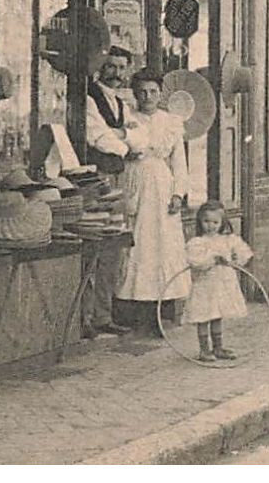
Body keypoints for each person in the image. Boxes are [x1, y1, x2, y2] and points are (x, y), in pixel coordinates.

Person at [114, 69, 192, 335]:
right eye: (142, 92)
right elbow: (115, 150)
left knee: (162, 248)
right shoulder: (127, 118)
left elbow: (179, 163)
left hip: (161, 186)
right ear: (135, 94)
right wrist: (126, 155)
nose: (148, 97)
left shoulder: (170, 122)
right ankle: (137, 313)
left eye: (153, 92)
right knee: (138, 246)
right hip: (135, 183)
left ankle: (162, 309)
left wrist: (177, 194)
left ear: (161, 93)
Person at [76, 46, 133, 338]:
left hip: (116, 176)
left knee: (113, 244)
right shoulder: (88, 97)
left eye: (122, 68)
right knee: (93, 242)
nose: (117, 73)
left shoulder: (122, 102)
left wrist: (125, 136)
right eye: (111, 66)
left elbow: (140, 135)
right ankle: (85, 317)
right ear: (100, 66)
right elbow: (97, 136)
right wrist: (124, 142)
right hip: (95, 177)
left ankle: (103, 314)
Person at [182, 200, 253, 362]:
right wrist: (213, 259)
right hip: (206, 286)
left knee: (217, 314)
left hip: (222, 285)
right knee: (203, 315)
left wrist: (236, 259)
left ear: (222, 223)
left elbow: (244, 253)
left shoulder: (228, 240)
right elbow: (196, 262)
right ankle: (204, 350)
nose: (211, 226)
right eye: (206, 221)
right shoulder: (197, 243)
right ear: (200, 221)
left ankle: (218, 347)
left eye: (215, 222)